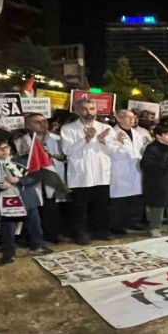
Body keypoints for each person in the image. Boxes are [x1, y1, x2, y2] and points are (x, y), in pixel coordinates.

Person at [0, 138, 53, 265]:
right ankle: (8, 254)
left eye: (5, 147)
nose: (4, 151)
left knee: (34, 226)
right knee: (8, 230)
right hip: (6, 203)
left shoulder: (20, 161)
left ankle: (37, 246)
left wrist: (19, 181)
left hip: (27, 200)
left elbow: (35, 177)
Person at [61, 98, 114, 244]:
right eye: (84, 109)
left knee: (101, 206)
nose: (88, 112)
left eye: (91, 109)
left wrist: (104, 141)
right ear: (77, 111)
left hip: (101, 173)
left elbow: (113, 151)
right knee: (80, 208)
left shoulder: (105, 128)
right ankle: (80, 233)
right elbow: (67, 150)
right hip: (81, 175)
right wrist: (86, 138)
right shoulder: (68, 129)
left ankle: (100, 231)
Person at [14, 113, 67, 243]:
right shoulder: (21, 141)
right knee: (33, 209)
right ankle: (31, 238)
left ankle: (51, 235)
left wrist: (59, 156)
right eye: (37, 122)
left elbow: (65, 155)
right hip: (32, 179)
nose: (43, 124)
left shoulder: (57, 139)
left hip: (51, 177)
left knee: (51, 208)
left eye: (44, 121)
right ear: (27, 125)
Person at [103, 110, 149, 235]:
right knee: (119, 199)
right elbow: (109, 151)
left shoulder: (137, 133)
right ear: (119, 118)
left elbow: (139, 150)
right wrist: (119, 142)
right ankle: (117, 225)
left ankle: (134, 221)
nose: (132, 120)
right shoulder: (111, 132)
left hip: (135, 169)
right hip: (119, 169)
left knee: (135, 198)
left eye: (133, 117)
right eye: (128, 117)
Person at [140, 124, 168, 237]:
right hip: (156, 183)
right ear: (158, 136)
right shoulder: (152, 149)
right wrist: (167, 163)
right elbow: (146, 166)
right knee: (157, 207)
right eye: (167, 134)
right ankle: (154, 227)